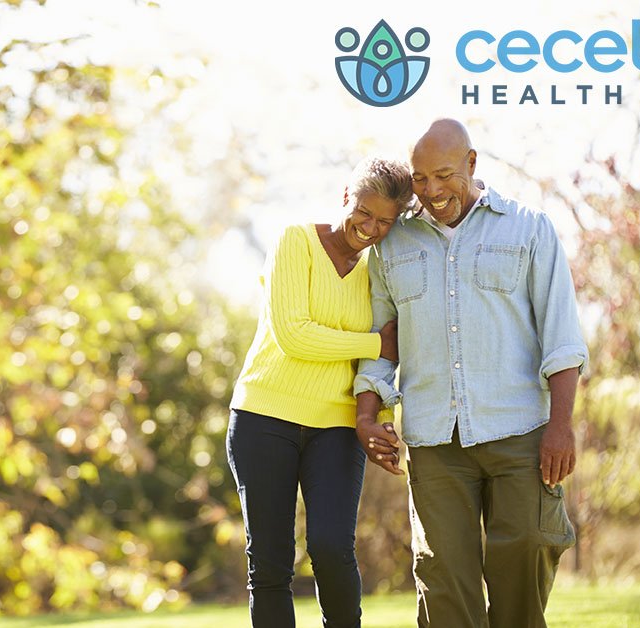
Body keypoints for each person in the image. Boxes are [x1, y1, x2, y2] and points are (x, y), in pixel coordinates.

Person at [353, 119, 589, 628]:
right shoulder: (391, 246)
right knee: (444, 586)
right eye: (419, 179)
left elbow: (562, 336)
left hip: (520, 431)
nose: (432, 191)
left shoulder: (528, 227)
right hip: (436, 441)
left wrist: (562, 424)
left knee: (526, 556)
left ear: (471, 164)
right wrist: (368, 412)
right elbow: (380, 340)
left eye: (443, 175)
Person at [227, 157, 414, 628]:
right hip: (264, 417)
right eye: (364, 213)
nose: (370, 228)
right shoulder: (296, 241)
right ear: (344, 196)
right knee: (270, 561)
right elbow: (295, 334)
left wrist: (380, 397)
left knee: (332, 547)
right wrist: (374, 342)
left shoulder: (378, 269)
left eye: (385, 222)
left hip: (336, 424)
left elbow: (385, 348)